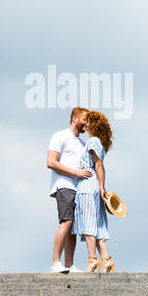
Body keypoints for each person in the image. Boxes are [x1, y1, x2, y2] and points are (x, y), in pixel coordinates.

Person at [47, 106, 92, 273]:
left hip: (78, 189)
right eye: (85, 119)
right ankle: (55, 263)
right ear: (75, 118)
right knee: (66, 221)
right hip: (64, 185)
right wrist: (75, 173)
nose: (87, 123)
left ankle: (69, 265)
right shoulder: (60, 136)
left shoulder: (83, 143)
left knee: (72, 226)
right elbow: (51, 162)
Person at [71, 111, 115, 273]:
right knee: (98, 225)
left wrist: (101, 186)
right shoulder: (97, 142)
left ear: (93, 124)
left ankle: (92, 259)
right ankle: (106, 259)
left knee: (88, 224)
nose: (85, 124)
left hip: (88, 186)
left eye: (88, 121)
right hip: (94, 185)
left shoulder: (93, 141)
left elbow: (98, 165)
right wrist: (101, 186)